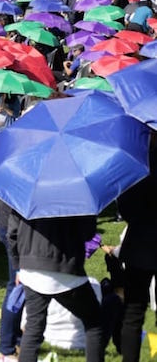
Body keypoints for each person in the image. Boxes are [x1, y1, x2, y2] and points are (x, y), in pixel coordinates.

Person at [8, 208, 104, 362]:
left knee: (33, 328)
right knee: (95, 322)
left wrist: (18, 265)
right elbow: (88, 233)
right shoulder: (76, 197)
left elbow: (12, 233)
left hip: (31, 268)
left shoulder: (27, 193)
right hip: (64, 269)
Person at [116, 134, 157, 362]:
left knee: (133, 312)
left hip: (139, 243)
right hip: (141, 243)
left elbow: (126, 207)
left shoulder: (137, 165)